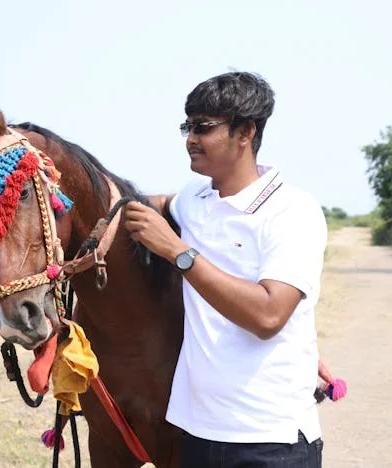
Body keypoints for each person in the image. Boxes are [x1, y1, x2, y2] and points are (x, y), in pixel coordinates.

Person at [123, 71, 328, 467]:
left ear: (246, 132)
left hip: (270, 440)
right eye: (188, 126)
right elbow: (155, 203)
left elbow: (269, 315)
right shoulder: (195, 198)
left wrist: (179, 253)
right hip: (198, 435)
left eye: (204, 128)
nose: (190, 139)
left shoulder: (291, 211)